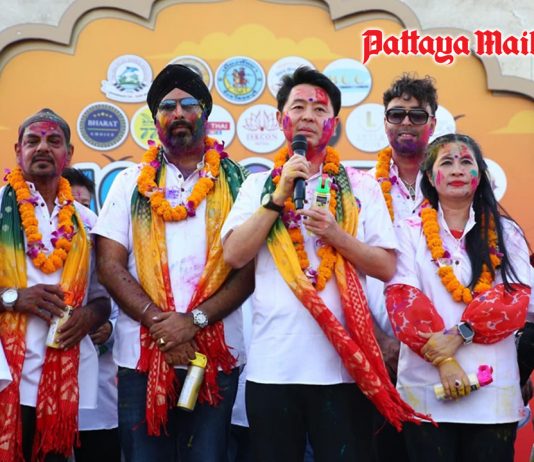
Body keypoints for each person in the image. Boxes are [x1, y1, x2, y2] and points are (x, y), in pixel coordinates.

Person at [222, 66, 426, 462]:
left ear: (333, 124)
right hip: (274, 368)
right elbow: (234, 254)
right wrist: (277, 197)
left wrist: (336, 235)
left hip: (343, 370)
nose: (308, 116)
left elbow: (385, 266)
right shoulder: (257, 186)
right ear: (281, 118)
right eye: (298, 107)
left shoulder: (360, 185)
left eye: (319, 110)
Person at [92, 64, 254, 462]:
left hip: (217, 355)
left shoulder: (239, 183)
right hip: (141, 357)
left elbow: (248, 270)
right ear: (155, 119)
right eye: (167, 106)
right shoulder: (130, 183)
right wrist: (161, 324)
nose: (178, 113)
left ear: (205, 113)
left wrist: (193, 321)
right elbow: (109, 265)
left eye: (188, 104)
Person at [385, 133, 531, 462]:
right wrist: (445, 361)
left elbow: (513, 300)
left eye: (466, 162)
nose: (457, 170)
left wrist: (459, 335)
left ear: (481, 174)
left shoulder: (507, 233)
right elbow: (402, 300)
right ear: (429, 176)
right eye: (447, 162)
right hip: (426, 396)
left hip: (493, 399)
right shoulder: (407, 229)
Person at [0, 109, 110, 461]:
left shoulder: (87, 221)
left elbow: (103, 298)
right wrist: (14, 298)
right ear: (18, 150)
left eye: (53, 141)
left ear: (69, 153)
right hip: (5, 378)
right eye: (33, 141)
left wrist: (89, 317)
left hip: (62, 384)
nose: (43, 148)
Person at [367, 73, 438, 462]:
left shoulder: (455, 182)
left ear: (433, 123)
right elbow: (344, 271)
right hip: (379, 355)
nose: (406, 122)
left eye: (417, 115)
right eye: (397, 114)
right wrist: (379, 340)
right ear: (385, 122)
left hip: (447, 354)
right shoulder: (361, 187)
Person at [62, 167, 121, 462]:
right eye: (70, 204)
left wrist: (109, 329)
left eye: (84, 205)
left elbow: (126, 314)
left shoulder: (106, 252)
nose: (77, 214)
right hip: (45, 402)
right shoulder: (33, 257)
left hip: (99, 409)